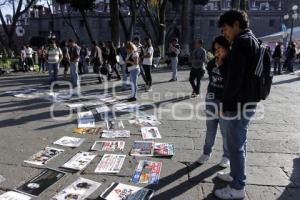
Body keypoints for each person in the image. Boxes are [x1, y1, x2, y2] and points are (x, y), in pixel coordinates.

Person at [214, 10, 260, 199]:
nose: (224, 33)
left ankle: (237, 187)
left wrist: (225, 105)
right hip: (248, 100)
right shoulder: (251, 39)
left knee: (236, 144)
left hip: (240, 103)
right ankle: (235, 175)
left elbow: (234, 79)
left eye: (225, 29)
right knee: (239, 142)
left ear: (235, 24)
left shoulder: (241, 42)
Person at [197, 36, 230, 168]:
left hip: (224, 100)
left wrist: (222, 65)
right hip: (211, 97)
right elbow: (210, 75)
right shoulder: (212, 63)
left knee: (224, 130)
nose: (217, 51)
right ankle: (206, 152)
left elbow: (230, 82)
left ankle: (226, 156)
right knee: (210, 128)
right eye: (215, 49)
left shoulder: (231, 63)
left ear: (226, 49)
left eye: (220, 48)